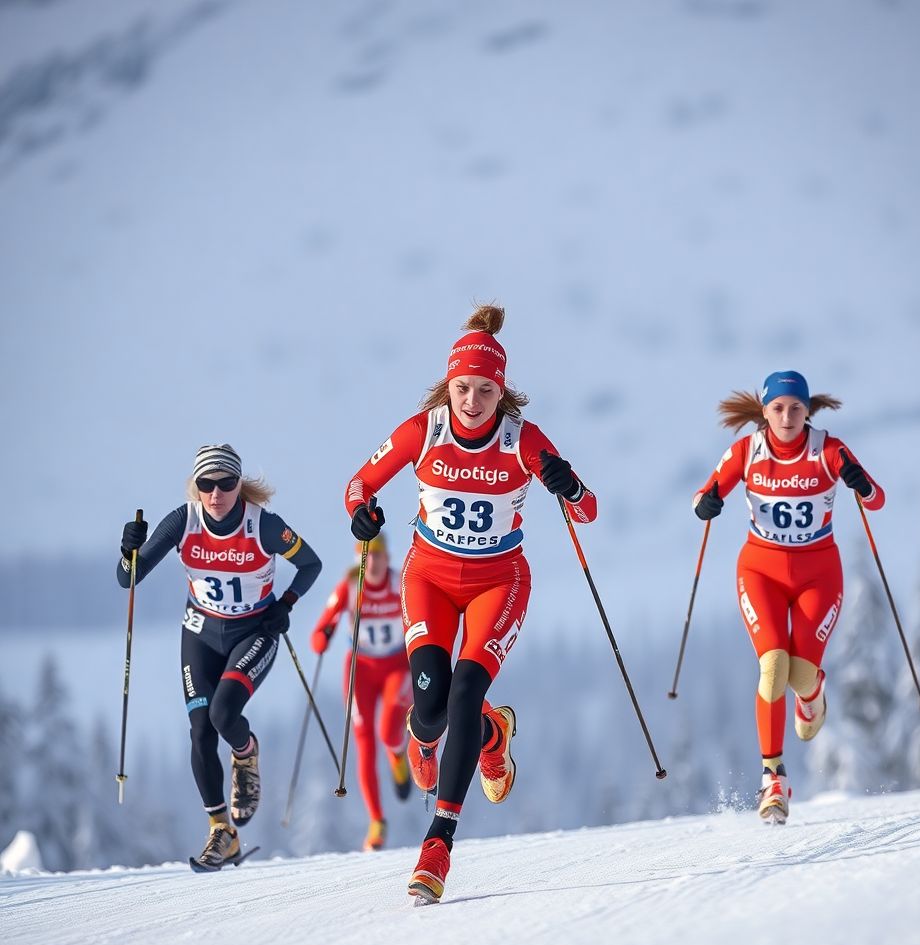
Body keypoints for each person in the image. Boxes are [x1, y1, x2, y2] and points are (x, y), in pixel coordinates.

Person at [343, 304, 597, 902]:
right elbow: (359, 483)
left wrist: (570, 486)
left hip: (498, 583)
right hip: (428, 575)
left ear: (501, 391)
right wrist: (361, 513)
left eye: (486, 390)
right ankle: (488, 735)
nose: (473, 401)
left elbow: (586, 511)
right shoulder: (423, 429)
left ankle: (438, 844)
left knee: (463, 690)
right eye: (463, 388)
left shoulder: (522, 440)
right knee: (429, 711)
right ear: (447, 385)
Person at [116, 444, 322, 869]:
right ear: (196, 488)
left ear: (238, 484)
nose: (216, 493)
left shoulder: (262, 525)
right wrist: (128, 549)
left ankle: (245, 753)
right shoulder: (183, 521)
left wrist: (285, 604)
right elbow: (128, 578)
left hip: (254, 631)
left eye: (226, 483)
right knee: (199, 730)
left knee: (224, 714)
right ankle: (221, 832)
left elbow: (311, 564)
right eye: (206, 484)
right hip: (200, 633)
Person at [692, 371, 884, 824]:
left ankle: (813, 691)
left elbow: (876, 500)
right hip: (761, 570)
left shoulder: (828, 450)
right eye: (777, 408)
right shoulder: (748, 451)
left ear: (806, 410)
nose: (787, 416)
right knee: (773, 665)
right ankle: (773, 777)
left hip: (819, 574)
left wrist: (860, 482)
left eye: (795, 407)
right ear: (764, 411)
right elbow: (703, 495)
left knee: (799, 673)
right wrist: (708, 502)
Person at [310, 534, 413, 852]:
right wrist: (323, 637)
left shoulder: (401, 583)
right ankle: (377, 821)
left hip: (398, 665)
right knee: (364, 740)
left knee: (388, 732)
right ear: (359, 560)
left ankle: (397, 755)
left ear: (387, 558)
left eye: (379, 556)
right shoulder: (349, 587)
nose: (374, 563)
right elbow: (319, 631)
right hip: (361, 670)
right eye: (367, 557)